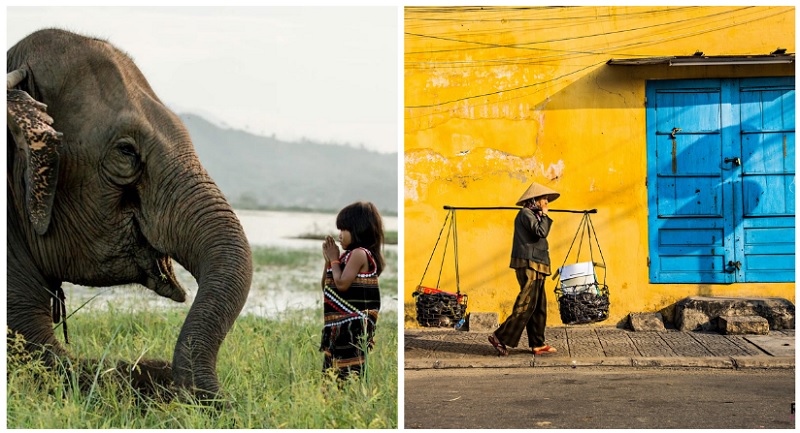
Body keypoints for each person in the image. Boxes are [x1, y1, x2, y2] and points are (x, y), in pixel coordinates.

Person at [488, 182, 560, 357]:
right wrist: (544, 215)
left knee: (539, 306)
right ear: (535, 201)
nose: (546, 204)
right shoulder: (526, 214)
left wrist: (542, 214)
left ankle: (537, 343)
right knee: (526, 304)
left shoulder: (533, 214)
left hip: (538, 263)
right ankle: (500, 337)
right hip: (529, 264)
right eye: (544, 200)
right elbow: (540, 232)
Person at [320, 201, 385, 380]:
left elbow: (342, 284)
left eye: (344, 230)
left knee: (347, 373)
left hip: (351, 327)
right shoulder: (346, 256)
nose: (340, 235)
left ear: (358, 229)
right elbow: (328, 287)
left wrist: (334, 259)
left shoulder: (359, 254)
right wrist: (329, 261)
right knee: (332, 374)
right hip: (339, 328)